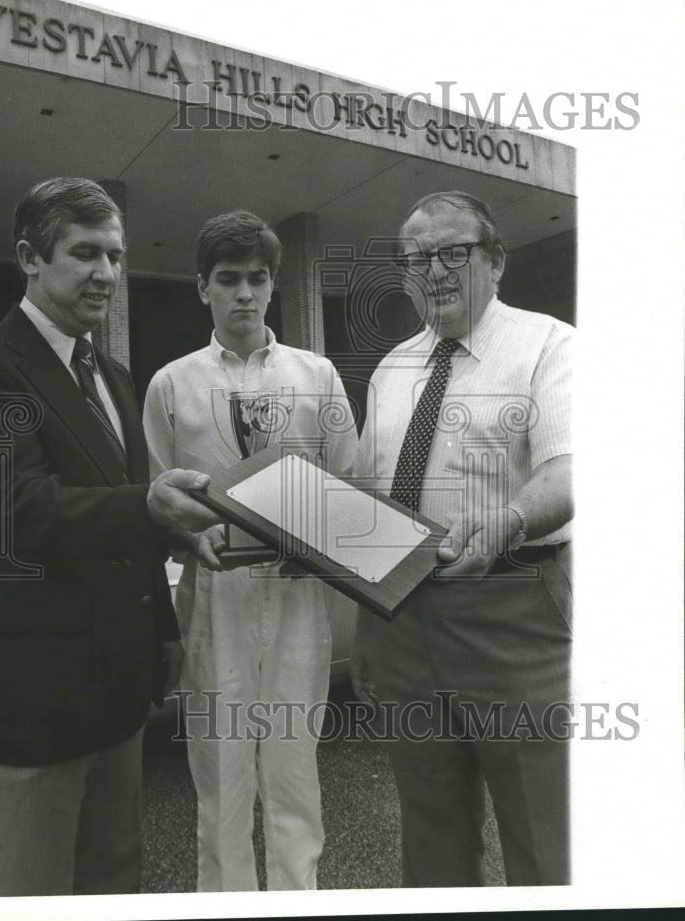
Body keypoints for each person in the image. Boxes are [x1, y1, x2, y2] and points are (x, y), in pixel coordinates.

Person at [0, 177, 219, 897]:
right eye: (86, 254)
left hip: (116, 692)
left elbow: (124, 514)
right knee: (32, 893)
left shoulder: (115, 376)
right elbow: (14, 513)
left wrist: (166, 623)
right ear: (29, 256)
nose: (108, 275)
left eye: (116, 257)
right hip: (32, 698)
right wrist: (150, 510)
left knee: (115, 878)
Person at [351, 190, 573, 887]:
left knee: (545, 841)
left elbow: (572, 468)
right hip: (401, 625)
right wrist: (366, 622)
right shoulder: (389, 370)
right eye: (417, 259)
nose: (435, 271)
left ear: (495, 261)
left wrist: (506, 521)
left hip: (512, 615)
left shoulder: (549, 346)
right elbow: (369, 506)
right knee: (430, 841)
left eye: (454, 252)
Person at [142, 209, 357, 891]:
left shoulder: (316, 374)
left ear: (273, 286)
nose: (243, 294)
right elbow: (157, 499)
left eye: (256, 279)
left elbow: (348, 485)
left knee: (293, 774)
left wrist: (317, 543)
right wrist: (185, 534)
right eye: (227, 279)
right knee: (220, 780)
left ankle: (298, 900)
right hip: (214, 600)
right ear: (201, 287)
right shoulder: (171, 383)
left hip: (297, 597)